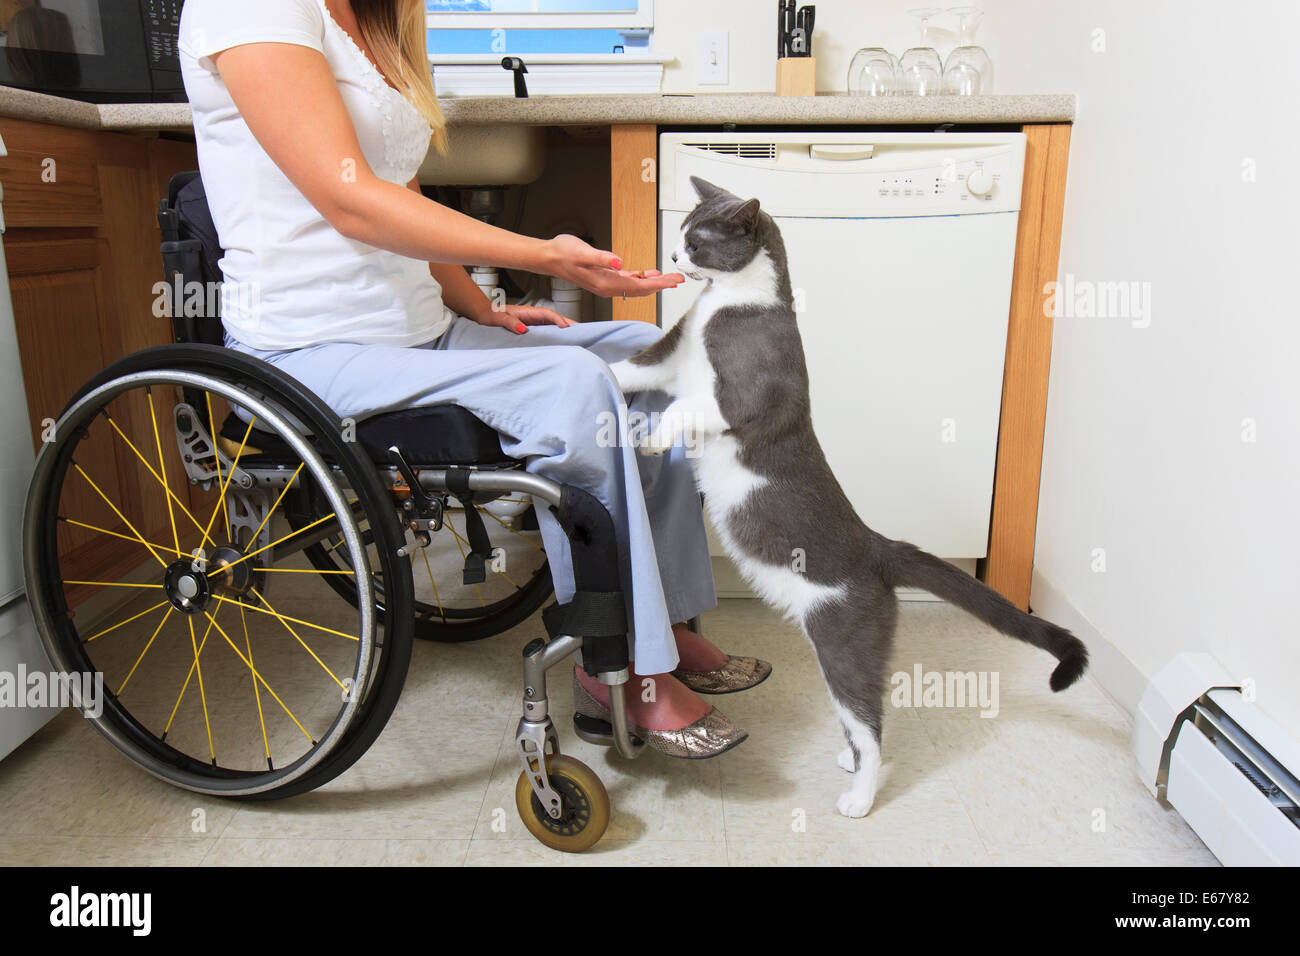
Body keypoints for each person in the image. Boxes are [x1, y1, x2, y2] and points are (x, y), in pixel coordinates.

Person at [177, 0, 770, 757]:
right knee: (571, 388)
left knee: (644, 355)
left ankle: (670, 625)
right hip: (310, 352)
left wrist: (484, 308)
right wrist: (543, 255)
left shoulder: (380, 21)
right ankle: (618, 666)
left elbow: (405, 198)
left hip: (422, 333)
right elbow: (350, 199)